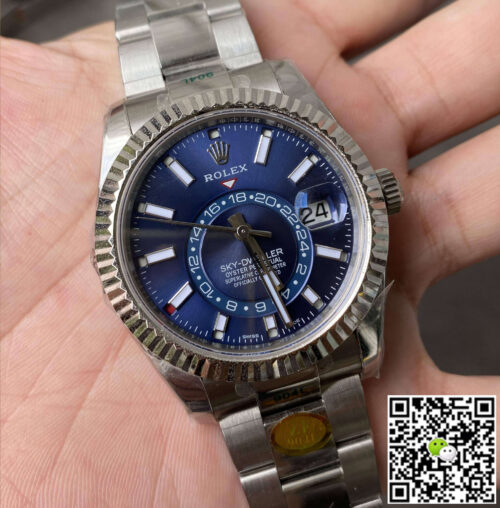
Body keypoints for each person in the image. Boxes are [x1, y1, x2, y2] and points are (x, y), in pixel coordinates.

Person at [1, 0, 499, 505]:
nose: (240, 229)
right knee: (454, 463)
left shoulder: (277, 91)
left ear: (375, 194)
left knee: (444, 467)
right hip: (256, 371)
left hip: (320, 343)